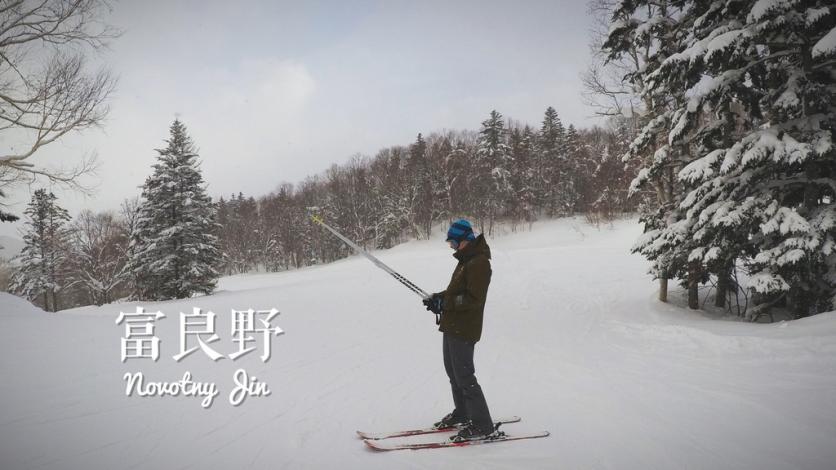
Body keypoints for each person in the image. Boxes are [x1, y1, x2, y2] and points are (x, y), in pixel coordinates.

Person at [423, 218, 495, 441]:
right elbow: (456, 291)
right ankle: (464, 412)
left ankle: (483, 425)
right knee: (453, 373)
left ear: (465, 240)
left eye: (453, 243)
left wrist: (447, 304)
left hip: (465, 328)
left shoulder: (479, 263)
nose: (451, 247)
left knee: (465, 375)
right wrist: (439, 298)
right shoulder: (466, 260)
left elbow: (474, 298)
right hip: (453, 325)